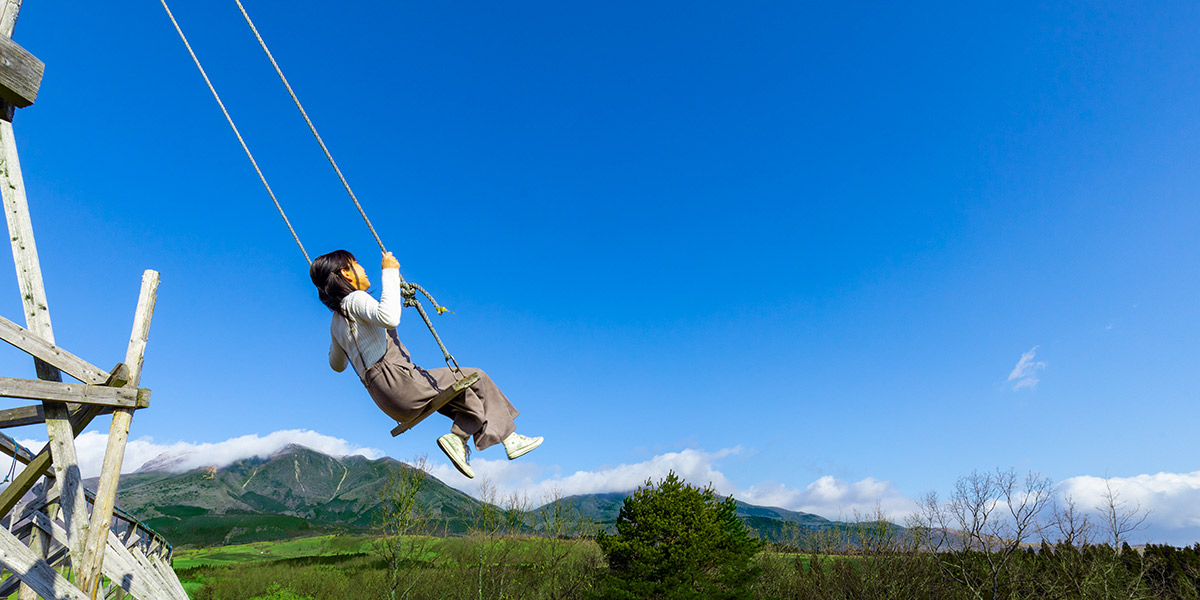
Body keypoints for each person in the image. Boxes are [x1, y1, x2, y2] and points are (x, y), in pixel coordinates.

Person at [310, 249, 542, 478]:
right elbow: (389, 316)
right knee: (477, 376)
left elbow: (337, 365)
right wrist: (389, 272)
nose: (362, 267)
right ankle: (502, 439)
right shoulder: (356, 299)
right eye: (356, 263)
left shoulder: (336, 321)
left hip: (387, 400)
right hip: (400, 380)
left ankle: (462, 437)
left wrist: (339, 341)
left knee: (465, 393)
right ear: (346, 273)